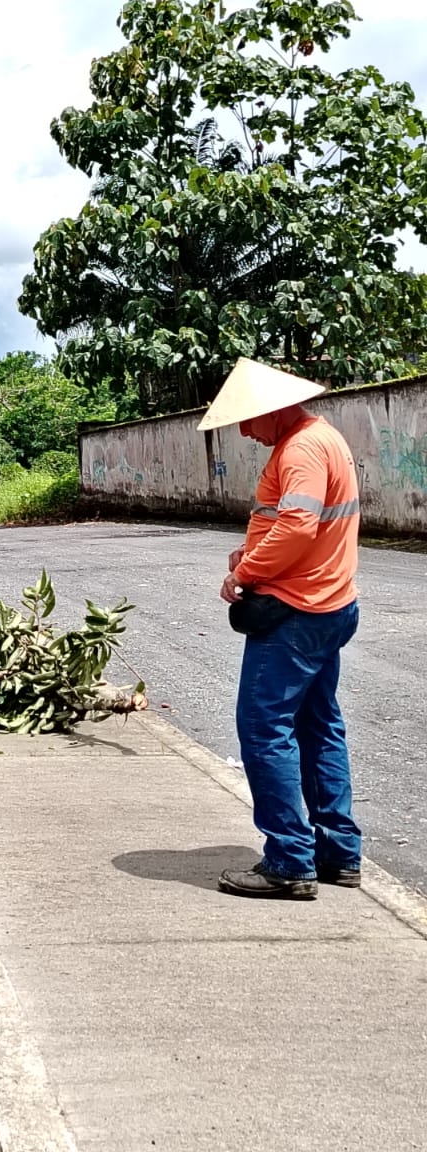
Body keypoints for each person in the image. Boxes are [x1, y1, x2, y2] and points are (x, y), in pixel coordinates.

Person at [198, 360, 363, 901]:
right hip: (330, 604)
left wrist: (243, 573)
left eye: (247, 420)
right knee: (319, 726)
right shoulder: (323, 439)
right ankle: (337, 853)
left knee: (263, 728)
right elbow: (293, 524)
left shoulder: (301, 449)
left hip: (296, 611)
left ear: (272, 409)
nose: (245, 432)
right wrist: (250, 548)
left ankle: (290, 861)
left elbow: (297, 527)